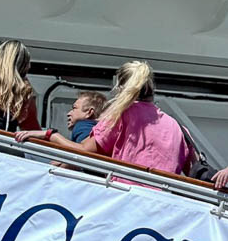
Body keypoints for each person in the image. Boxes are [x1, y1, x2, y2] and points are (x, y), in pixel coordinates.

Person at [16, 60, 192, 175]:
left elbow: (84, 152)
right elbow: (192, 169)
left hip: (128, 196)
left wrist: (51, 135)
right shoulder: (176, 127)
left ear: (120, 86)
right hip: (165, 205)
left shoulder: (120, 115)